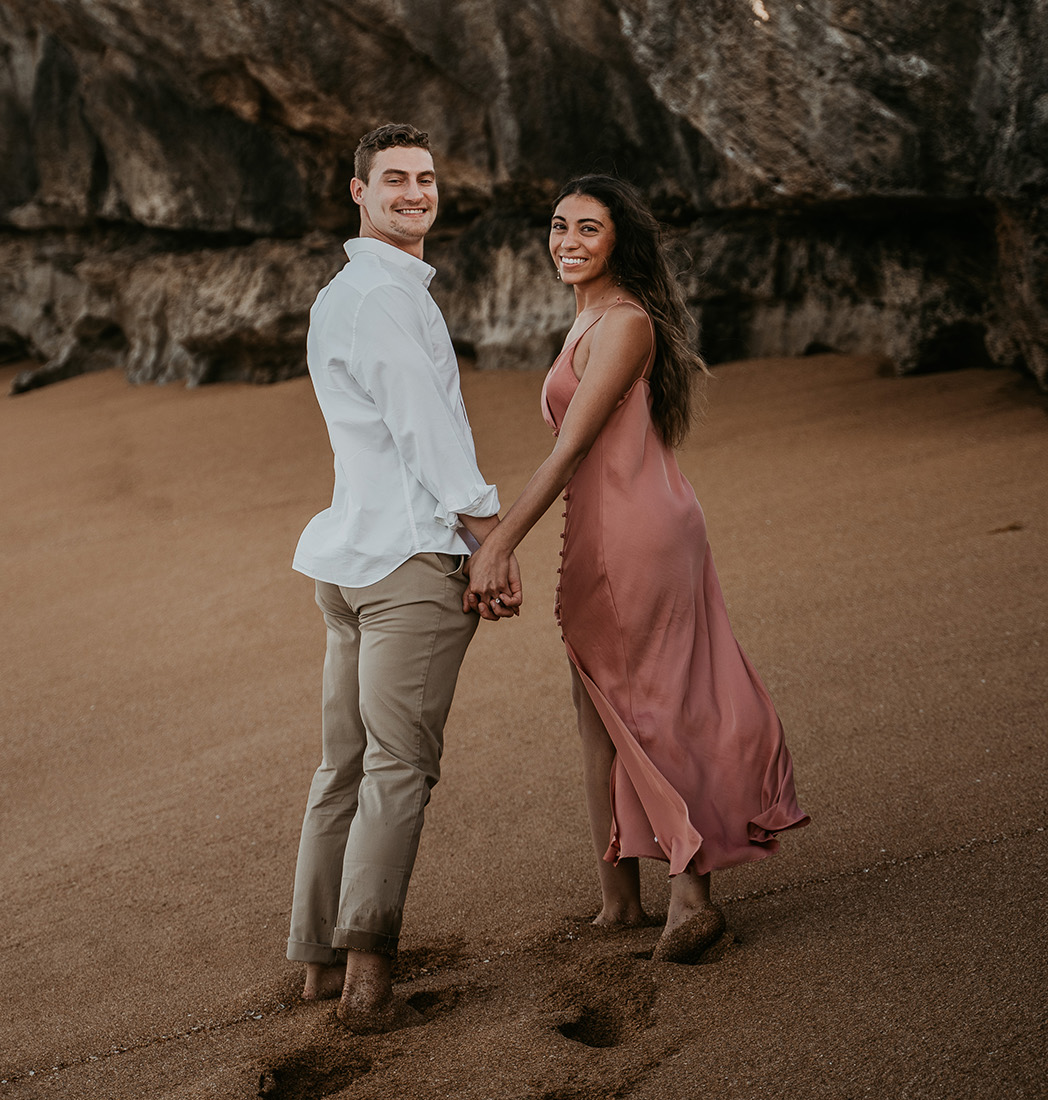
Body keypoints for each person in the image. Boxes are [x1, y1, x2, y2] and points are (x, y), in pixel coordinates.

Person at [465, 174, 808, 963]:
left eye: (589, 228)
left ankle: (690, 900)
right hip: (606, 533)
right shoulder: (587, 319)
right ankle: (618, 901)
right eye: (559, 226)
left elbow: (573, 445)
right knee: (599, 714)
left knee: (650, 705)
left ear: (620, 241)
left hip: (638, 538)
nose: (569, 241)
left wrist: (499, 541)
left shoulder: (624, 325)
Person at [288, 122, 521, 1030]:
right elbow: (430, 432)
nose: (416, 193)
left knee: (343, 769)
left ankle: (316, 964)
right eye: (395, 180)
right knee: (396, 770)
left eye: (426, 179)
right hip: (406, 565)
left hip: (349, 561)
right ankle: (368, 982)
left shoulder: (344, 293)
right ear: (359, 192)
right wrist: (489, 537)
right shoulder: (387, 299)